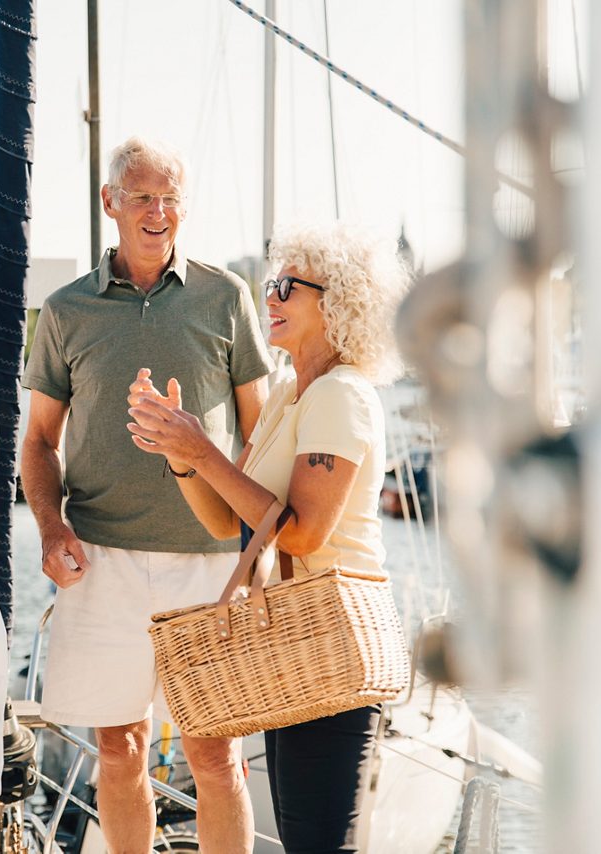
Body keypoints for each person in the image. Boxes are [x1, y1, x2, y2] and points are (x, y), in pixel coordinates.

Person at [21, 136, 273, 853]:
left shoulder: (226, 296)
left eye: (170, 198)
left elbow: (260, 432)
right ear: (111, 203)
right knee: (121, 750)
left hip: (209, 567)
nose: (158, 211)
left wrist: (251, 551)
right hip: (101, 562)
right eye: (142, 196)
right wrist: (48, 528)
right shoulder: (66, 310)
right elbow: (38, 442)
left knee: (215, 758)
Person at [126, 221, 410, 853]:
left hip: (331, 637)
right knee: (305, 836)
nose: (270, 297)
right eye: (269, 284)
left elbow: (303, 535)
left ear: (336, 302)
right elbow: (230, 520)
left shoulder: (341, 396)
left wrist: (205, 449)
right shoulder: (288, 394)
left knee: (317, 842)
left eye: (287, 286)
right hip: (289, 636)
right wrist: (181, 453)